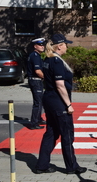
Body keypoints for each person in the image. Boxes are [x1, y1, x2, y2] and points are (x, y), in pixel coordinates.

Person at [35, 33, 87, 174]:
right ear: (59, 46)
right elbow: (60, 85)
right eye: (65, 44)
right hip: (58, 101)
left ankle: (42, 164)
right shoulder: (56, 62)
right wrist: (68, 104)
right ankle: (72, 166)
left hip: (49, 99)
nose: (67, 47)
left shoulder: (47, 59)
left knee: (51, 132)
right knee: (67, 134)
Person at [27, 38, 46, 130]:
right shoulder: (35, 56)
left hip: (36, 80)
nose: (42, 46)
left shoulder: (36, 55)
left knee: (40, 101)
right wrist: (46, 78)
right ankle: (34, 123)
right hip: (35, 80)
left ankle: (38, 119)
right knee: (38, 102)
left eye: (43, 45)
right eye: (40, 45)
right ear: (35, 46)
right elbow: (38, 71)